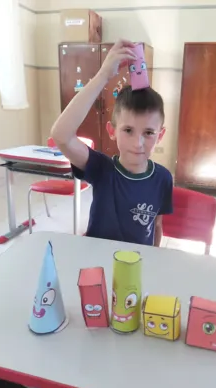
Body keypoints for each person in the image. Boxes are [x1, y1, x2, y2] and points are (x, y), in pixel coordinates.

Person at [51, 39, 174, 247]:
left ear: (160, 136)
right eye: (128, 130)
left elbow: (157, 225)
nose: (138, 143)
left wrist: (155, 259)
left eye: (149, 133)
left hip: (136, 264)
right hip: (98, 262)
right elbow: (61, 135)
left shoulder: (163, 178)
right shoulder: (102, 169)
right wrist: (103, 75)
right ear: (112, 131)